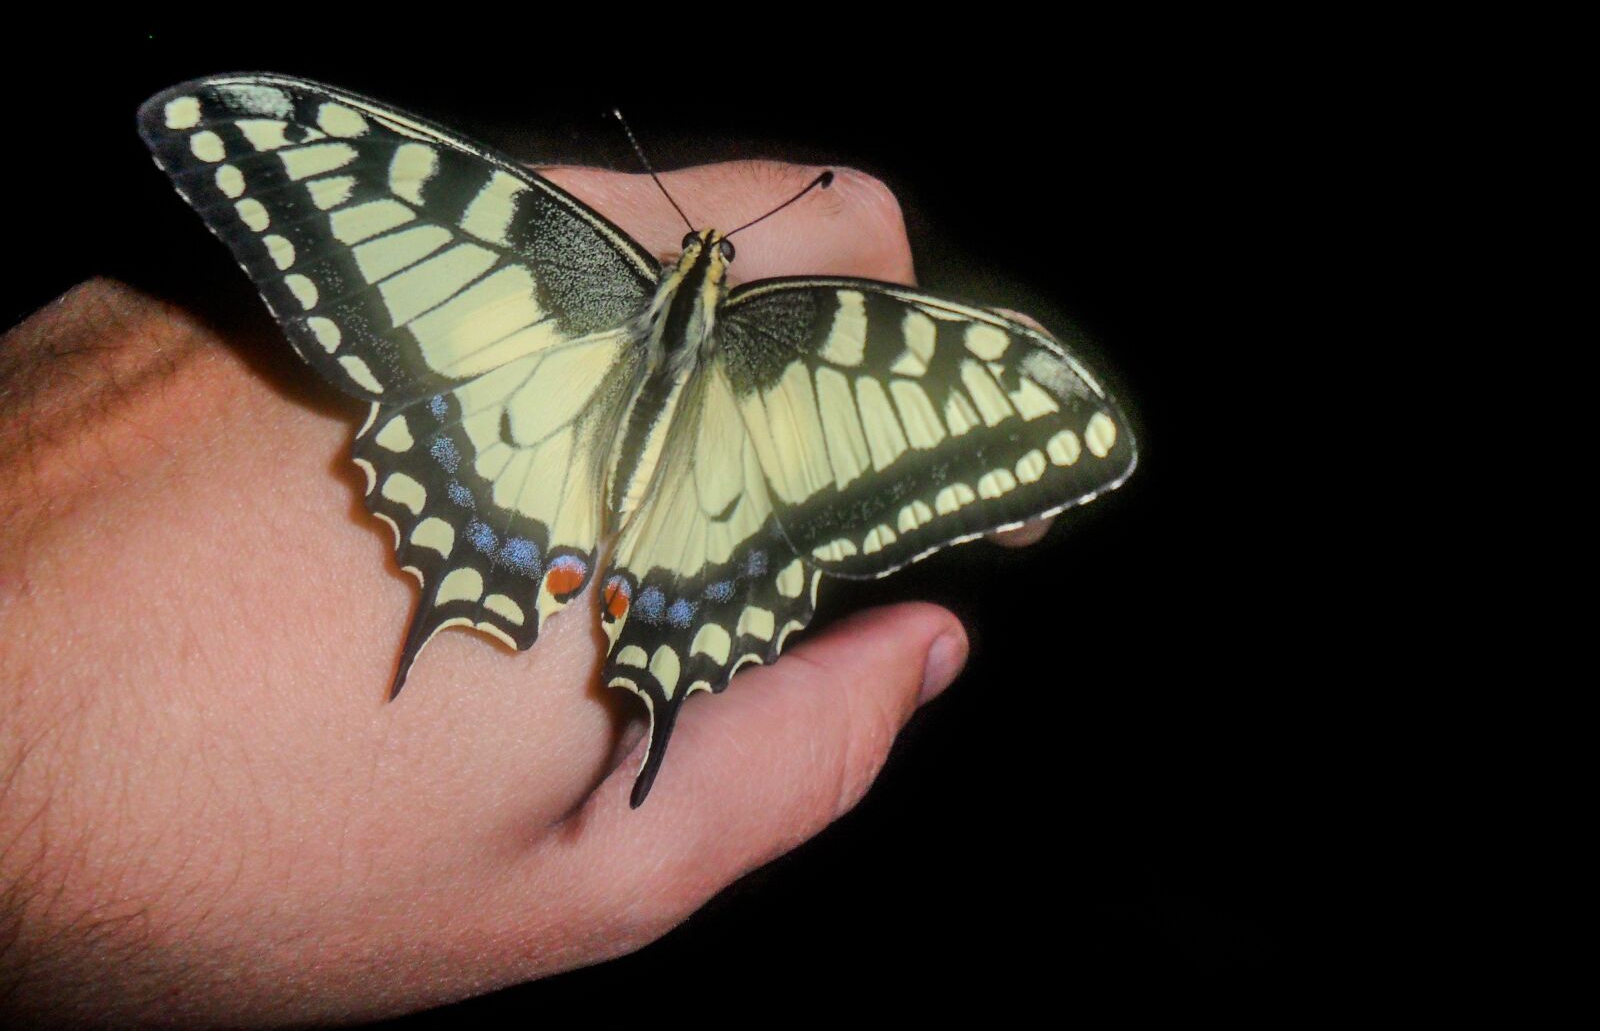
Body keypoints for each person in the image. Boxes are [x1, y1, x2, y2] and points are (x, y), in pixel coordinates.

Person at [0, 160, 1065, 1025]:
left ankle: (498, 586)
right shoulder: (800, 332)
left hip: (524, 456)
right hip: (706, 529)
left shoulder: (562, 255)